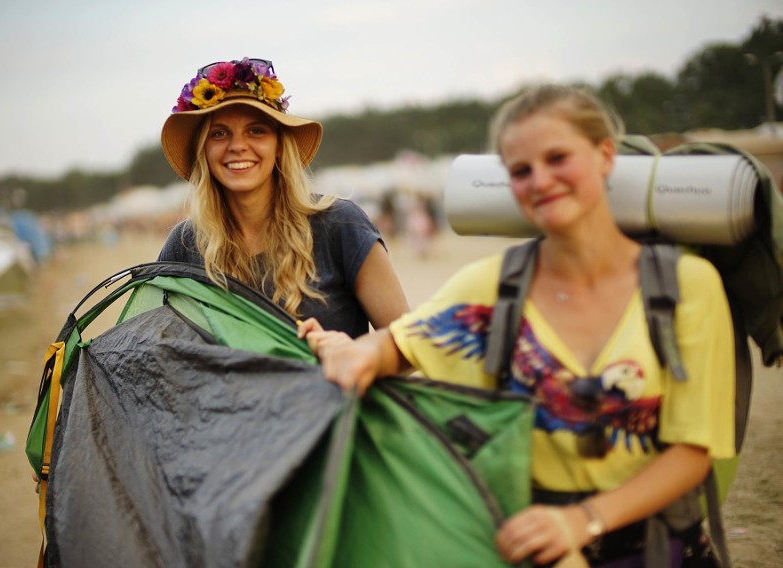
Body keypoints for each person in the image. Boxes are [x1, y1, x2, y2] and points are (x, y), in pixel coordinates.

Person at [307, 84, 735, 566]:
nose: (541, 180)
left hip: (657, 549)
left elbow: (694, 451)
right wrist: (350, 350)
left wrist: (582, 521)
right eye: (521, 170)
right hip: (537, 552)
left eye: (558, 158)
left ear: (605, 156)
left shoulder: (685, 287)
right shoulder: (492, 287)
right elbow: (398, 345)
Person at [157, 57, 408, 338]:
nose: (238, 146)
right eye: (219, 133)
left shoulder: (341, 225)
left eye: (256, 131)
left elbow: (410, 344)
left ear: (279, 145)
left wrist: (348, 351)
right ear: (203, 151)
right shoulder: (184, 245)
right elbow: (157, 350)